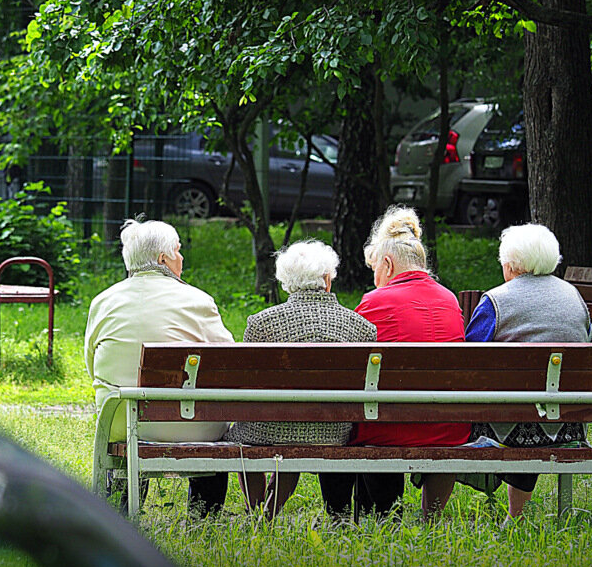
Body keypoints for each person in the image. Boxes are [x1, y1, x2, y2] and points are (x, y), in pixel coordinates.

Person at [318, 205, 470, 522]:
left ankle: (377, 515)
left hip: (390, 425)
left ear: (387, 264)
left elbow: (350, 366)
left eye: (374, 268)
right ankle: (423, 519)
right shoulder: (450, 299)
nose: (374, 277)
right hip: (448, 426)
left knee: (367, 413)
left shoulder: (375, 301)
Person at [84, 218, 234, 517]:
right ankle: (204, 517)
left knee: (127, 423)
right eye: (178, 250)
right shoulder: (198, 301)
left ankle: (120, 513)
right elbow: (228, 364)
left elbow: (92, 365)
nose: (182, 257)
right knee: (214, 423)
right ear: (164, 258)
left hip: (121, 421)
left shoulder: (103, 302)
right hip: (189, 423)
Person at [223, 240, 377, 518]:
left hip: (267, 430)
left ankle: (258, 513)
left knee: (253, 432)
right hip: (333, 432)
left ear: (287, 282)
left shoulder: (261, 323)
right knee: (293, 429)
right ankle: (268, 511)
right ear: (327, 279)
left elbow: (246, 385)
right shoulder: (362, 328)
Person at [465, 223, 590, 521]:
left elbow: (467, 362)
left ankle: (432, 512)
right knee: (532, 400)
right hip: (568, 424)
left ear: (510, 265)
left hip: (508, 425)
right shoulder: (574, 296)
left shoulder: (496, 301)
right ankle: (515, 516)